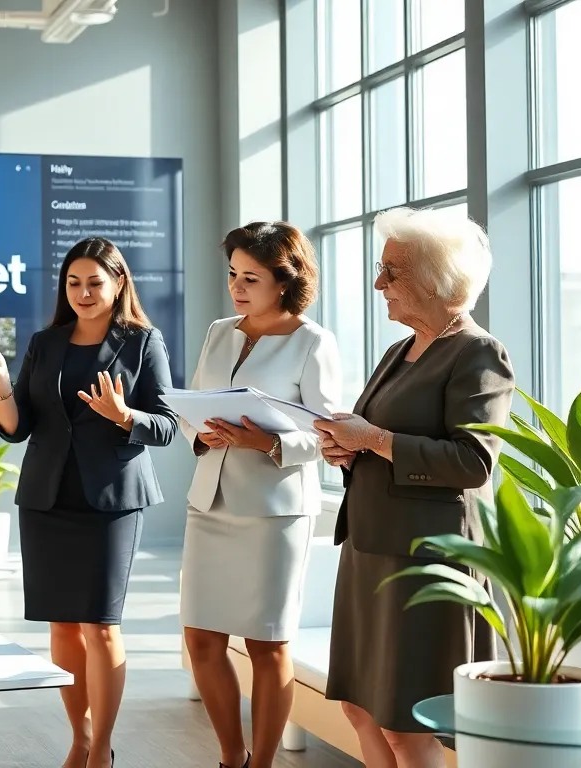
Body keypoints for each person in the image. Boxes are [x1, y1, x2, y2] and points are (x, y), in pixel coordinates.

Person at [0, 237, 176, 768]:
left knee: (101, 625)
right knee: (62, 625)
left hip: (112, 501)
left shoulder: (144, 342)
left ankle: (101, 748)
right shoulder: (45, 342)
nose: (83, 292)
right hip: (47, 498)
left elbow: (167, 426)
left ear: (119, 283)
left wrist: (124, 415)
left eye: (95, 282)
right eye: (73, 282)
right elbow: (18, 430)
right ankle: (78, 738)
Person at [313, 207, 514, 768]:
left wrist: (373, 438)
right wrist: (347, 450)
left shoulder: (477, 352)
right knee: (359, 707)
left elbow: (474, 463)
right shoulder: (399, 350)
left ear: (436, 278)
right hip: (370, 549)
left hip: (424, 560)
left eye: (391, 271)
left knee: (408, 725)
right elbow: (380, 442)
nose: (379, 283)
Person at [179, 222, 340, 768]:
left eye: (251, 277)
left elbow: (328, 434)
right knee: (201, 639)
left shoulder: (312, 341)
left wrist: (267, 441)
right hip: (210, 505)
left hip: (274, 515)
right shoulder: (219, 331)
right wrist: (198, 431)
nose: (237, 286)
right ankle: (232, 758)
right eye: (232, 274)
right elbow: (190, 408)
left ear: (284, 281)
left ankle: (264, 763)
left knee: (267, 647)